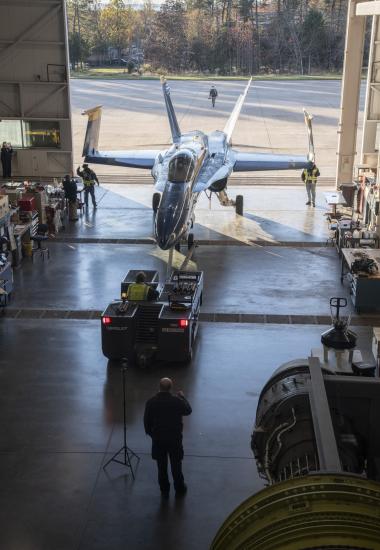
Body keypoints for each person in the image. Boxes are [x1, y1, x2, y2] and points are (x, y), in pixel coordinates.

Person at [144, 377, 192, 498]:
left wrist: (153, 436)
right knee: (176, 465)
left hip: (158, 440)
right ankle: (179, 488)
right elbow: (188, 410)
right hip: (174, 439)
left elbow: (146, 423)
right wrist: (182, 397)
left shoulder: (151, 402)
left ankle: (164, 489)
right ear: (170, 388)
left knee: (161, 466)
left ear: (159, 387)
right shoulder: (177, 401)